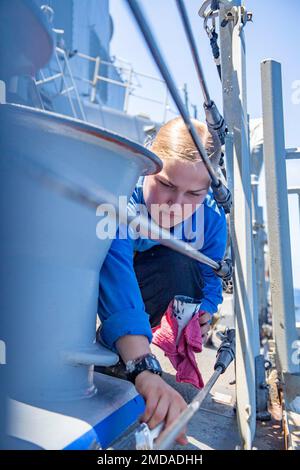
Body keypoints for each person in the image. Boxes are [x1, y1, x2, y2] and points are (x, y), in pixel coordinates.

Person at [97, 117, 227, 445]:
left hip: (154, 285)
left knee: (183, 261)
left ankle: (126, 349)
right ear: (149, 167)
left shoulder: (211, 220)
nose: (176, 204)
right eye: (167, 184)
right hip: (104, 283)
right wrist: (142, 365)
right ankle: (119, 344)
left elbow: (210, 279)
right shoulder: (121, 198)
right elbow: (115, 267)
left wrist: (206, 311)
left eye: (193, 193)